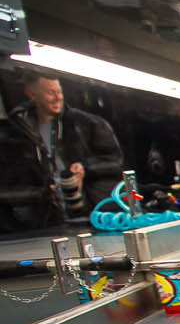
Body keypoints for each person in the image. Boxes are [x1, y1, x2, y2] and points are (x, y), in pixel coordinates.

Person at [0, 69, 123, 228]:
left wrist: (85, 168)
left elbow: (116, 161)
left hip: (94, 215)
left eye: (59, 91)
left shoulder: (89, 124)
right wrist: (41, 193)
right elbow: (8, 184)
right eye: (51, 93)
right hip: (44, 224)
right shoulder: (14, 134)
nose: (58, 97)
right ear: (31, 94)